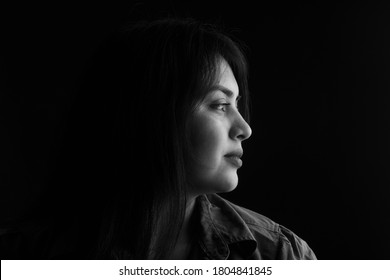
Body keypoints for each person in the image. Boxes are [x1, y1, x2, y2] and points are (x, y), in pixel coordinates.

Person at [0, 17, 316, 260]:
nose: (244, 128)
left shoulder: (281, 255)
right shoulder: (21, 256)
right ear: (152, 113)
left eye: (237, 104)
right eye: (221, 105)